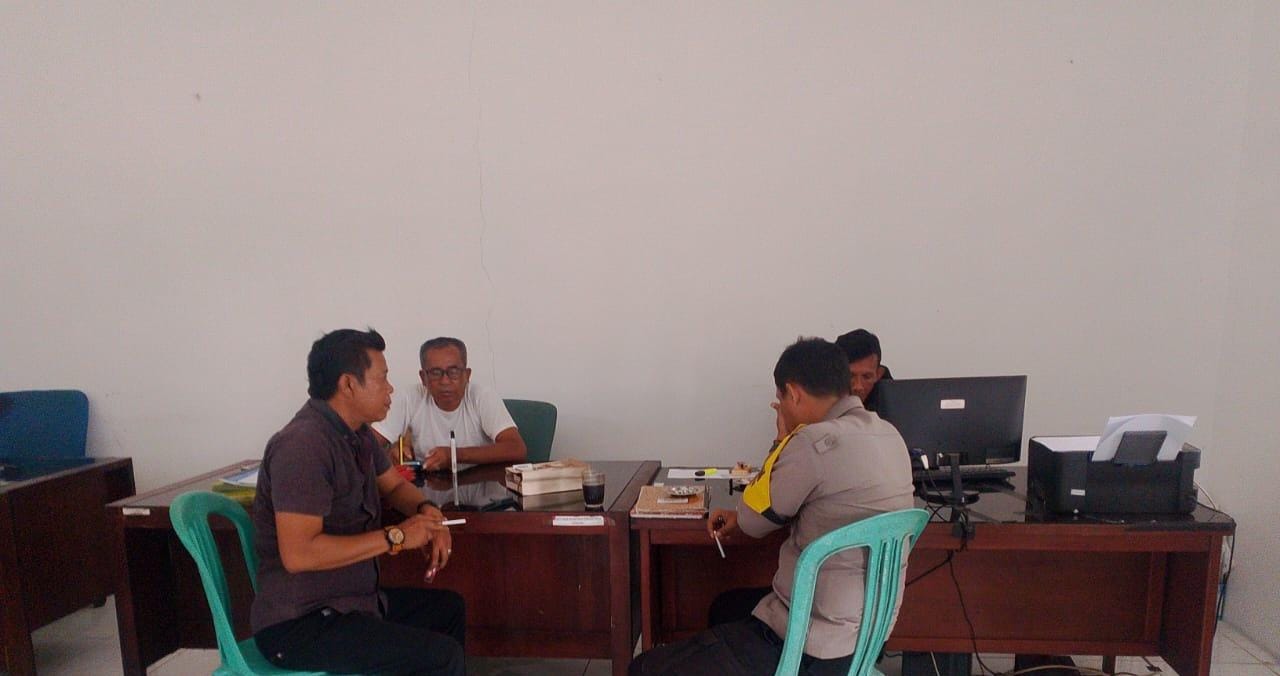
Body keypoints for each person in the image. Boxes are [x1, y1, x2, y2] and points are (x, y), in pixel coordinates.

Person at [629, 337, 914, 676]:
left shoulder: (812, 443)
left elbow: (752, 522)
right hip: (865, 638)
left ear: (793, 393)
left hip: (809, 645)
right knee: (726, 608)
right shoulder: (890, 435)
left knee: (645, 668)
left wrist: (782, 440)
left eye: (781, 399)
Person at [251, 328, 466, 675]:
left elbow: (394, 487)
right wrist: (397, 537)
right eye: (382, 379)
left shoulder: (357, 434)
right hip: (301, 624)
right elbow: (299, 554)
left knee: (448, 609)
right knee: (441, 656)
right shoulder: (303, 446)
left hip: (352, 603)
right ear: (349, 385)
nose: (390, 389)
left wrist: (429, 513)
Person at [373, 336, 527, 471]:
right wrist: (391, 452)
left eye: (453, 372)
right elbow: (368, 444)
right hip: (428, 486)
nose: (445, 381)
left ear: (467, 375)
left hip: (481, 483)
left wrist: (454, 455)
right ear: (423, 378)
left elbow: (516, 448)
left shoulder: (482, 396)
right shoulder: (409, 397)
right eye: (435, 373)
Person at [834, 328, 893, 412]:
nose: (858, 387)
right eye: (850, 376)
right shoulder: (818, 398)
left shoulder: (893, 405)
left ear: (878, 374)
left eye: (867, 377)